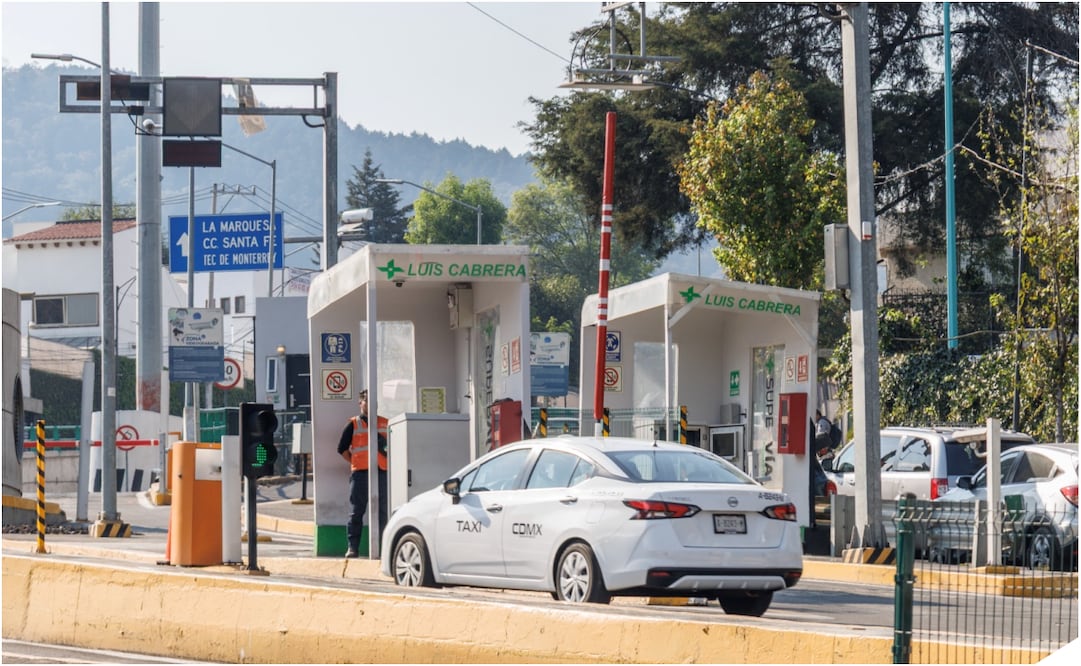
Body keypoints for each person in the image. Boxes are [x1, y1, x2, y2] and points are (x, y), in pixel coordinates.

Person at [337, 389, 388, 558]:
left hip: (382, 472)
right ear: (360, 403)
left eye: (374, 401)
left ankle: (384, 549)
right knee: (357, 512)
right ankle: (353, 548)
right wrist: (355, 462)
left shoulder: (385, 423)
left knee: (383, 512)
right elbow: (342, 449)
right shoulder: (353, 424)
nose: (370, 404)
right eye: (366, 401)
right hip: (361, 474)